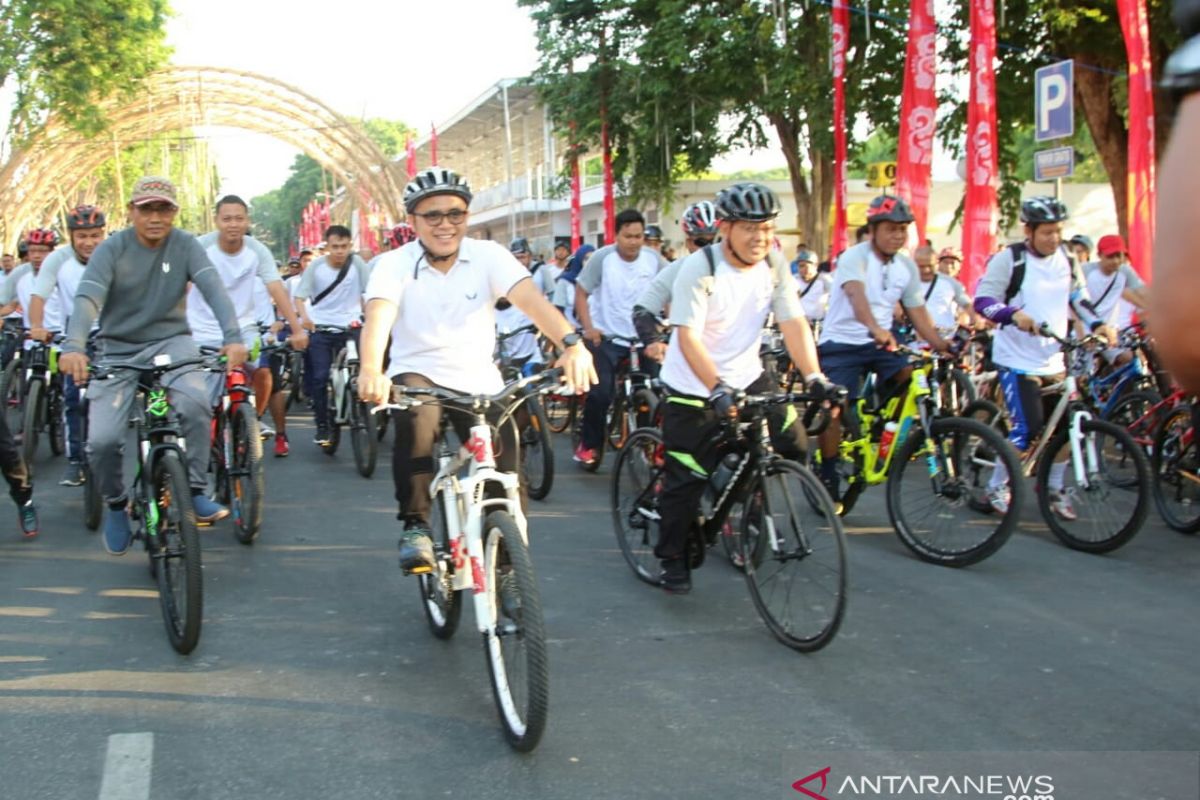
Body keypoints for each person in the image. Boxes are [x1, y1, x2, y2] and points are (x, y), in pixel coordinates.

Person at [355, 167, 596, 574]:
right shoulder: (394, 264)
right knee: (417, 422)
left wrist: (571, 344)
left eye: (456, 214)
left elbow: (533, 302)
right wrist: (370, 369)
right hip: (419, 375)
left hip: (479, 380)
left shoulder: (488, 256)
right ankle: (416, 525)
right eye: (433, 215)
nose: (445, 224)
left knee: (506, 462)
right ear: (413, 220)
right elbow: (378, 317)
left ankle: (507, 549)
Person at [653, 183, 834, 593]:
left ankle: (744, 496)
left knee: (794, 444)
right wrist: (716, 387)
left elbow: (792, 322)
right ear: (726, 227)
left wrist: (814, 376)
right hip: (694, 386)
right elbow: (688, 337)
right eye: (750, 228)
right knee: (686, 481)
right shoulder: (700, 267)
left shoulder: (773, 263)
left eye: (768, 228)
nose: (760, 238)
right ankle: (671, 557)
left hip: (749, 375)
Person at [58, 175, 248, 555]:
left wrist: (233, 337)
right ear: (132, 212)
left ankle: (193, 489)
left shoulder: (186, 246)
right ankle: (115, 503)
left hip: (172, 343)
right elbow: (87, 300)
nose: (156, 217)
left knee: (195, 404)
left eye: (164, 209)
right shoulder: (111, 249)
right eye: (147, 209)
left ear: (174, 212)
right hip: (118, 349)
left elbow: (214, 289)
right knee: (103, 440)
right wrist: (74, 345)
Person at [973, 196, 1114, 517]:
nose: (1054, 238)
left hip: (1054, 358)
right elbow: (983, 301)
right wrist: (1013, 315)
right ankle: (995, 486)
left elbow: (1078, 297)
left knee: (1069, 429)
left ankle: (1052, 488)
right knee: (1028, 430)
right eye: (1047, 232)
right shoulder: (1011, 259)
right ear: (1029, 230)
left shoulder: (1067, 257)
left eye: (1058, 231)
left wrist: (1098, 324)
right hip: (1016, 360)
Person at [815, 196, 952, 502]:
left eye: (903, 229)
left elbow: (918, 312)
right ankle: (827, 471)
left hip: (881, 343)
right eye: (891, 229)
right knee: (833, 409)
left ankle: (881, 427)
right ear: (874, 229)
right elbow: (856, 295)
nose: (898, 235)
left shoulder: (906, 266)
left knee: (912, 373)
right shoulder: (855, 257)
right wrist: (876, 328)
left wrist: (943, 345)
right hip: (841, 343)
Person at [189, 196, 309, 457]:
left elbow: (276, 288)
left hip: (244, 328)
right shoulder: (200, 247)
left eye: (239, 218)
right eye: (227, 218)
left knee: (263, 372)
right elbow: (182, 287)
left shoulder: (258, 251)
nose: (233, 224)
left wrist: (297, 329)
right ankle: (209, 437)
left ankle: (249, 419)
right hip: (202, 331)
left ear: (248, 221)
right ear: (217, 220)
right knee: (204, 403)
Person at [573, 209, 668, 466]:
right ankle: (589, 445)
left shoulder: (653, 259)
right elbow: (581, 293)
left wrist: (669, 323)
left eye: (639, 236)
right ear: (616, 235)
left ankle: (649, 444)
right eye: (628, 236)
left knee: (657, 391)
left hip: (643, 338)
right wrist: (589, 328)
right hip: (608, 337)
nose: (634, 242)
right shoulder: (603, 259)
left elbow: (669, 291)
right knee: (601, 394)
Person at [28, 206, 106, 486]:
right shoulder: (58, 259)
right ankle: (75, 461)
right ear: (72, 236)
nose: (89, 242)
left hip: (111, 332)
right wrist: (37, 326)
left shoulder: (115, 253)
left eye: (95, 235)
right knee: (73, 399)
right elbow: (39, 295)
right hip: (75, 336)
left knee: (113, 396)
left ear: (103, 234)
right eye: (82, 235)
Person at [292, 224, 370, 446]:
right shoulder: (316, 267)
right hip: (322, 328)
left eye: (344, 246)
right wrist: (305, 318)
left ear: (350, 246)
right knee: (319, 378)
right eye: (335, 246)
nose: (339, 251)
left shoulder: (358, 265)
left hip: (351, 326)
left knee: (365, 368)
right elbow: (299, 298)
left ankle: (367, 413)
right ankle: (322, 426)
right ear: (327, 246)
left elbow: (370, 293)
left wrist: (369, 315)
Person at [633, 200, 720, 363]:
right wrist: (653, 341)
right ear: (688, 243)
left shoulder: (744, 267)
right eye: (701, 242)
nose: (709, 248)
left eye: (715, 240)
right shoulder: (677, 269)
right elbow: (642, 309)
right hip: (691, 356)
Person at [1082, 234, 1150, 367]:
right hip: (1086, 331)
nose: (1116, 261)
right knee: (1082, 379)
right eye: (1110, 256)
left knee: (1133, 361)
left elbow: (1143, 293)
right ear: (1099, 255)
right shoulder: (1086, 271)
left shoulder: (1125, 271)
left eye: (1119, 256)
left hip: (1110, 333)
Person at [913, 244, 976, 338]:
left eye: (953, 263)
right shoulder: (910, 282)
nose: (949, 267)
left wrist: (972, 320)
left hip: (945, 336)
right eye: (945, 262)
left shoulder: (953, 284)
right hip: (917, 336)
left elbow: (967, 305)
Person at [552, 244, 593, 331]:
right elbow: (558, 309)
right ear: (579, 260)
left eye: (593, 259)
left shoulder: (597, 281)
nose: (589, 262)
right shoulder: (565, 281)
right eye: (586, 259)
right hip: (571, 332)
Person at [793, 248, 832, 325]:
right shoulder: (794, 280)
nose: (802, 269)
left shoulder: (824, 280)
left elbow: (835, 297)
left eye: (806, 266)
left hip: (818, 324)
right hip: (799, 323)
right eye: (800, 266)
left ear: (815, 266)